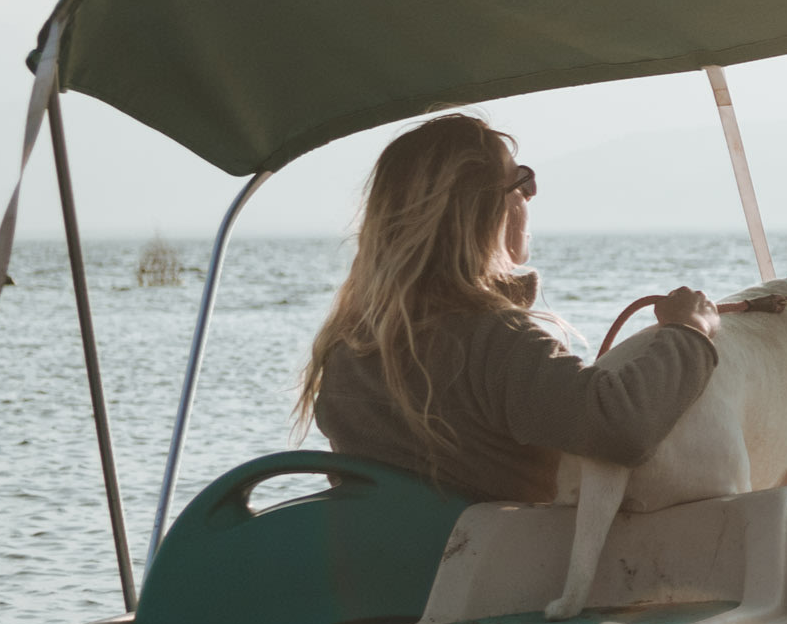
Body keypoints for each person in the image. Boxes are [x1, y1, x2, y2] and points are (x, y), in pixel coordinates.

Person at [295, 113, 720, 503]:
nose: (530, 195)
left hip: (391, 570)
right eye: (520, 181)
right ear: (480, 213)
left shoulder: (347, 348)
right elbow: (622, 427)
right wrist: (688, 332)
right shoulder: (492, 340)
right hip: (491, 573)